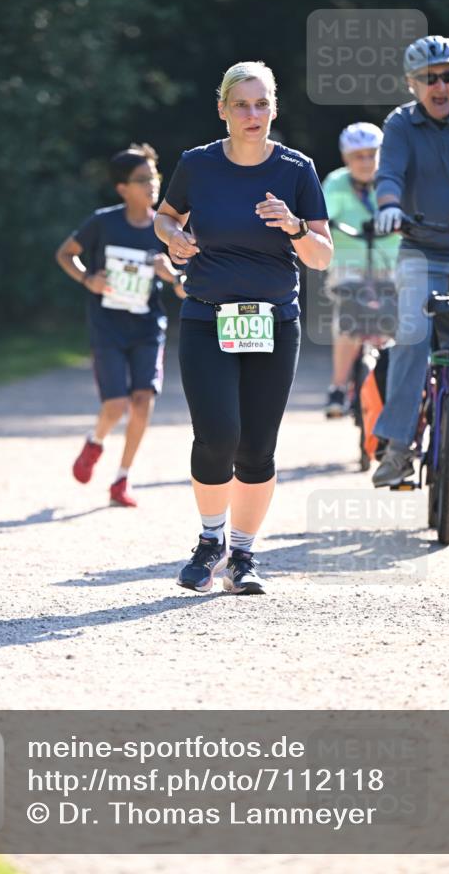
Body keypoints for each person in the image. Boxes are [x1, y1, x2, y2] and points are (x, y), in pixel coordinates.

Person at [154, 61, 332, 594]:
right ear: (223, 110)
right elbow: (165, 217)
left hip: (274, 323)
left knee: (256, 447)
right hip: (208, 316)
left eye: (261, 104)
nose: (252, 115)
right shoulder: (197, 165)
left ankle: (243, 557)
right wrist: (173, 238)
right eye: (241, 105)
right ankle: (210, 542)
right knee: (217, 436)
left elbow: (321, 257)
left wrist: (295, 226)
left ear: (274, 109)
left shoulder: (297, 170)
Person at [371, 35, 449, 487]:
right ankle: (398, 447)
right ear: (412, 84)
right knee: (411, 335)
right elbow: (389, 174)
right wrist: (388, 205)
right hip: (422, 249)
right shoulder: (401, 124)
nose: (439, 86)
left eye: (447, 75)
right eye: (429, 78)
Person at [57, 143, 186, 507]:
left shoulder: (167, 228)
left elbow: (183, 287)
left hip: (147, 327)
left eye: (154, 177)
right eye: (141, 179)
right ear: (122, 188)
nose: (151, 185)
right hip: (108, 326)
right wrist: (88, 279)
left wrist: (171, 273)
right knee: (115, 406)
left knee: (143, 401)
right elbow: (65, 254)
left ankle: (122, 479)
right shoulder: (103, 222)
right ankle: (95, 442)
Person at [322, 122, 401, 416]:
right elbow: (321, 216)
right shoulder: (336, 183)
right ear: (346, 158)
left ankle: (399, 385)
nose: (366, 162)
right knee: (349, 319)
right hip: (348, 266)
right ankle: (338, 387)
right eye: (358, 156)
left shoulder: (392, 182)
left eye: (372, 154)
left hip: (389, 265)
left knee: (402, 318)